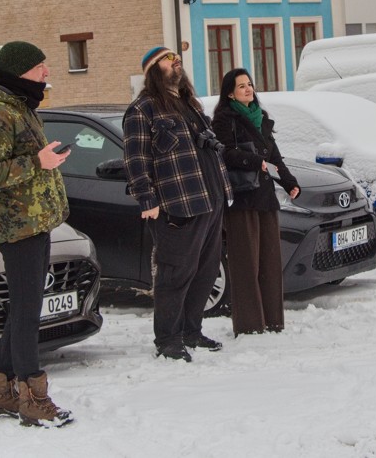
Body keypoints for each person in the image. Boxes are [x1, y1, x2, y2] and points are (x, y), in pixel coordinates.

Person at [0, 41, 73, 427]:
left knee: (23, 307)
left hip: (34, 222)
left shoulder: (20, 106)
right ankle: (33, 399)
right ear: (18, 71)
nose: (47, 72)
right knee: (28, 313)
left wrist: (46, 160)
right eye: (39, 66)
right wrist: (36, 161)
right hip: (17, 227)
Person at [122, 46, 231, 361]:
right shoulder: (142, 109)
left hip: (209, 198)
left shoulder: (189, 103)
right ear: (154, 70)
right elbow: (136, 159)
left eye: (177, 59)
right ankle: (168, 339)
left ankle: (191, 331)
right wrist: (146, 199)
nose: (176, 63)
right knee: (174, 274)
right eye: (169, 60)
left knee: (205, 272)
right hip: (177, 204)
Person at [211, 69, 300, 336]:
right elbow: (224, 153)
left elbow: (275, 158)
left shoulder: (261, 118)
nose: (248, 89)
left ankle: (273, 321)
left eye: (249, 84)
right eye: (241, 86)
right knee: (246, 265)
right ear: (230, 93)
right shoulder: (224, 120)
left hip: (265, 198)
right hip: (241, 199)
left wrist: (290, 182)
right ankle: (250, 325)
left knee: (270, 262)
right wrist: (253, 161)